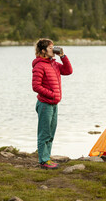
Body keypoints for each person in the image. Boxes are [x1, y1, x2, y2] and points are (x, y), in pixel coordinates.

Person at [32, 38, 73, 169]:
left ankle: (47, 158)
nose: (53, 49)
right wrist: (52, 95)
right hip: (45, 104)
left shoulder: (54, 64)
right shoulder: (39, 65)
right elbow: (36, 86)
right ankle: (43, 161)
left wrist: (63, 56)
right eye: (51, 48)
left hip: (54, 104)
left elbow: (68, 71)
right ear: (43, 51)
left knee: (51, 132)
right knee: (44, 133)